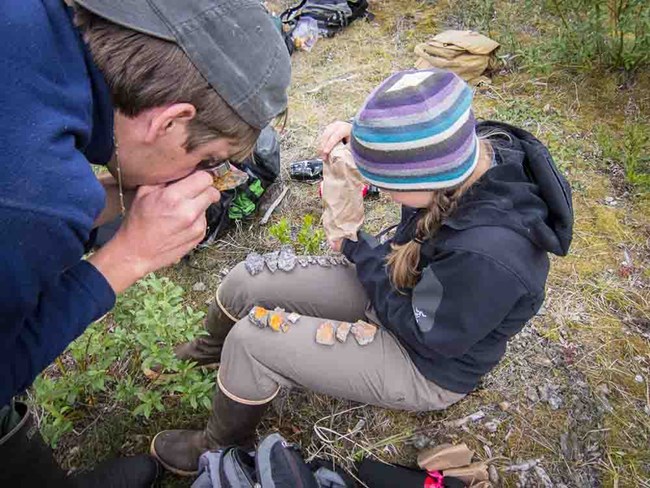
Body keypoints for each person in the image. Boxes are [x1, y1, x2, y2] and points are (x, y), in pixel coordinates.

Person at [149, 68, 573, 476]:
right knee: (247, 280)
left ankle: (220, 446)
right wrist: (368, 138)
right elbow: (421, 133)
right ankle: (207, 354)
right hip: (402, 289)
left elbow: (426, 334)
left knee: (254, 342)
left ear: (428, 176)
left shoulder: (489, 256)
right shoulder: (468, 154)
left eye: (384, 184)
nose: (377, 192)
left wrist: (357, 246)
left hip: (424, 360)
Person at [0, 0, 290, 486]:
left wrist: (113, 198)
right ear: (170, 121)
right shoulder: (37, 200)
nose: (200, 176)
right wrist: (127, 256)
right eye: (207, 159)